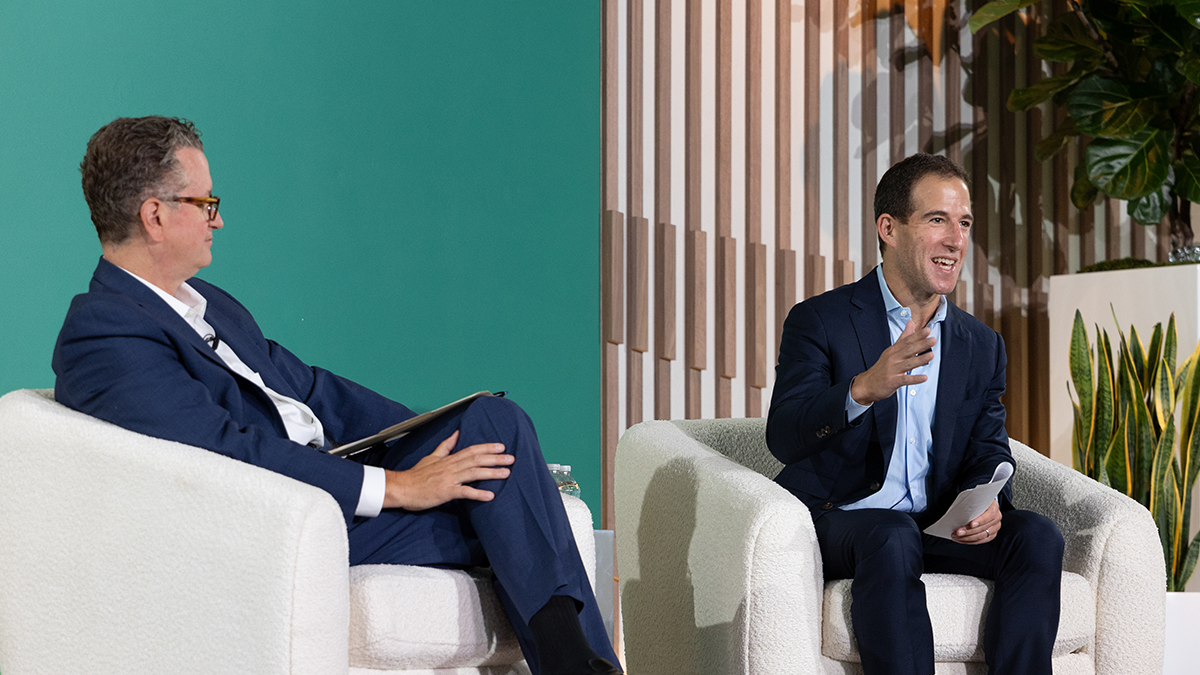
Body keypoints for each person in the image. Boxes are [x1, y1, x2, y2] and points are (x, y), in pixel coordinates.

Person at [52, 116, 621, 675]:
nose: (218, 220)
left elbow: (309, 389)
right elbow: (225, 452)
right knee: (514, 504)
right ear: (155, 215)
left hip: (331, 479)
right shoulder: (104, 332)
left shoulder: (204, 301)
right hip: (291, 519)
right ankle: (575, 662)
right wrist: (396, 487)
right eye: (205, 203)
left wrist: (432, 441)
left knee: (493, 422)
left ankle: (573, 662)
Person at [766, 153, 1064, 675]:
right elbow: (785, 436)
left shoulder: (980, 344)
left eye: (964, 223)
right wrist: (862, 389)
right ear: (889, 228)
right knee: (890, 533)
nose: (956, 240)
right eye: (937, 220)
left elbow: (989, 446)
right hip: (844, 520)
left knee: (1036, 535)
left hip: (934, 524)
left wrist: (988, 499)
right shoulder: (820, 320)